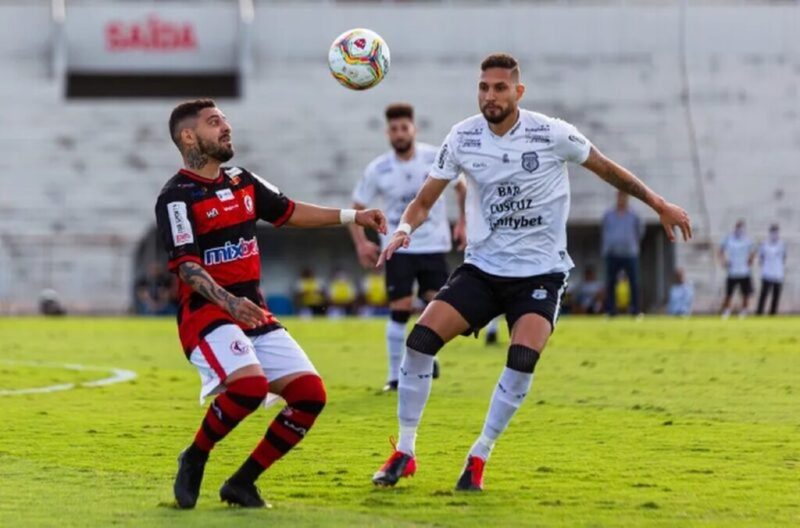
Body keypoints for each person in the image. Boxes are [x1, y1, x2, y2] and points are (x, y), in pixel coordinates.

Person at [370, 53, 692, 492]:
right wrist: (405, 229)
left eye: (500, 88)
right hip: (483, 268)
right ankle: (405, 451)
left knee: (522, 357)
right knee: (420, 341)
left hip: (540, 274)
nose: (490, 96)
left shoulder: (552, 133)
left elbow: (608, 169)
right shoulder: (462, 137)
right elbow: (425, 199)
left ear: (518, 92)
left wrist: (659, 204)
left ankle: (479, 455)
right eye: (484, 87)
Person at [155, 99, 386, 509]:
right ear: (188, 136)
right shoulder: (176, 197)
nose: (226, 128)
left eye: (226, 120)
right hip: (207, 316)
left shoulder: (242, 180)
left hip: (254, 312)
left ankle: (242, 483)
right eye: (214, 123)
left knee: (310, 396)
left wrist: (355, 216)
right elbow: (187, 266)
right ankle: (195, 455)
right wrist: (228, 302)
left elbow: (290, 211)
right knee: (249, 386)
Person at [349, 103, 466, 392]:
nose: (400, 133)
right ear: (388, 133)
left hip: (433, 246)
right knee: (399, 309)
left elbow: (461, 187)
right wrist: (362, 243)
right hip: (397, 248)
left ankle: (426, 357)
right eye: (394, 129)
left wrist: (463, 222)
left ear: (414, 128)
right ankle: (393, 376)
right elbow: (357, 207)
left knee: (438, 308)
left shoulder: (434, 156)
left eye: (404, 127)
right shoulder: (379, 168)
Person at [602, 191, 644, 315]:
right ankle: (610, 310)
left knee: (634, 282)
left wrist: (632, 243)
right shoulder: (609, 214)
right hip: (613, 252)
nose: (622, 199)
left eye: (624, 197)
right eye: (620, 197)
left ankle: (636, 311)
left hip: (630, 253)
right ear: (617, 198)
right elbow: (605, 231)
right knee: (610, 282)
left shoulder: (634, 215)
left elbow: (640, 231)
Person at [719, 219, 755, 318]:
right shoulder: (729, 238)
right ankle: (726, 311)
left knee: (745, 294)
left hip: (744, 271)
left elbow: (753, 251)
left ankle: (743, 311)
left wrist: (750, 260)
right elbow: (721, 249)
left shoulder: (747, 240)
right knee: (729, 293)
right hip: (732, 271)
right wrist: (724, 261)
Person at [756, 224, 786, 315]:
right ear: (770, 233)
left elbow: (784, 258)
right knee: (763, 295)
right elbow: (761, 258)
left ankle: (773, 313)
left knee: (776, 297)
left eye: (776, 232)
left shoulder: (782, 245)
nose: (775, 235)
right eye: (773, 232)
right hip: (767, 274)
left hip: (778, 274)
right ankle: (759, 313)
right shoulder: (764, 244)